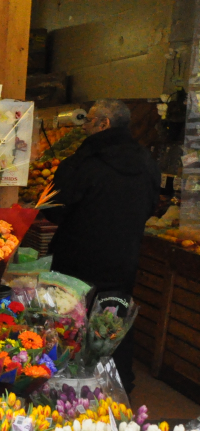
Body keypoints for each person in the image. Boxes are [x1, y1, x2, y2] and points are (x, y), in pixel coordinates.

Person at [45, 99, 160, 393]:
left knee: (71, 320)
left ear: (103, 124)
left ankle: (65, 387)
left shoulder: (82, 162)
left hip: (77, 259)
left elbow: (55, 209)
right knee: (115, 318)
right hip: (123, 258)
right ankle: (117, 385)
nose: (84, 126)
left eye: (89, 120)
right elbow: (152, 206)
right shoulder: (146, 161)